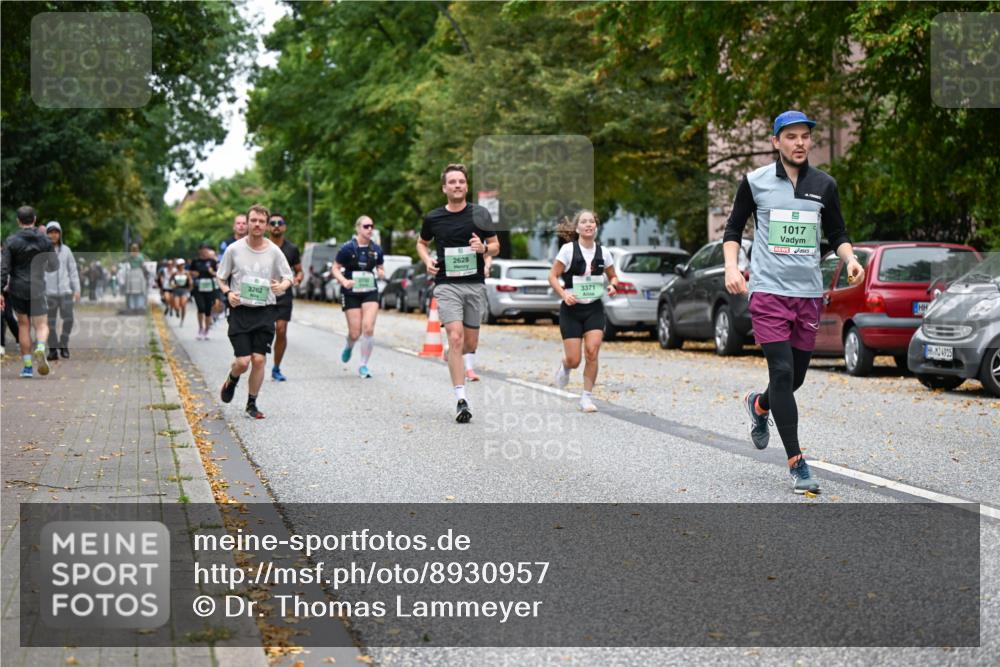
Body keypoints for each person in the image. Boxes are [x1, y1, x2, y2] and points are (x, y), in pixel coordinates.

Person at [723, 110, 865, 495]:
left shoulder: (824, 185)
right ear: (776, 142)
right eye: (792, 137)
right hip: (768, 292)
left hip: (807, 296)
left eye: (805, 137)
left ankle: (760, 405)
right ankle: (797, 462)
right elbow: (733, 228)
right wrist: (731, 266)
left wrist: (850, 259)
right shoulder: (755, 183)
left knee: (795, 377)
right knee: (783, 371)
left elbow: (837, 232)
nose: (800, 143)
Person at [417, 163, 499, 423]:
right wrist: (426, 260)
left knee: (469, 345)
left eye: (461, 181)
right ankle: (461, 399)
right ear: (444, 188)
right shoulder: (433, 218)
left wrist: (483, 248)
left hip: (474, 284)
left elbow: (496, 245)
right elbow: (422, 243)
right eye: (452, 182)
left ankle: (453, 354)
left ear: (466, 186)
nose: (457, 185)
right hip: (446, 284)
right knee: (454, 337)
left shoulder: (480, 214)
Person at [216, 204, 294, 419]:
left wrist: (283, 287)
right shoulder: (234, 249)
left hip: (265, 311)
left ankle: (251, 403)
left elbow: (289, 276)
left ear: (267, 225)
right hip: (240, 311)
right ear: (247, 223)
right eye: (253, 220)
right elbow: (221, 277)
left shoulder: (274, 251)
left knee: (258, 360)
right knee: (242, 362)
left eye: (261, 221)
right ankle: (232, 379)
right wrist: (228, 292)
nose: (257, 224)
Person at [549, 211, 619, 413]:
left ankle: (586, 397)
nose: (588, 225)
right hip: (571, 309)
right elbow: (553, 276)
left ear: (596, 227)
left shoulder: (604, 252)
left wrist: (613, 286)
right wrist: (563, 294)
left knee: (592, 351)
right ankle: (565, 367)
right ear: (577, 228)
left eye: (592, 222)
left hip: (594, 308)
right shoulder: (568, 250)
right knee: (574, 359)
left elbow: (613, 277)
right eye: (584, 222)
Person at [1, 205, 58, 377]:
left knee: (23, 325)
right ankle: (40, 347)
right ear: (34, 219)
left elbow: (4, 268)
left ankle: (27, 367)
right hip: (37, 287)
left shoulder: (11, 241)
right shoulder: (45, 241)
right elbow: (54, 265)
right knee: (41, 324)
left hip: (18, 288)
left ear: (19, 221)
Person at [332, 215, 385, 378]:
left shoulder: (376, 249)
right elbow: (335, 267)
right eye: (366, 226)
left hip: (369, 291)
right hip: (351, 293)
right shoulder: (347, 248)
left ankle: (363, 365)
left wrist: (382, 273)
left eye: (371, 226)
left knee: (368, 328)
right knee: (355, 333)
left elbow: (380, 267)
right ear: (358, 228)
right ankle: (349, 345)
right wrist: (343, 281)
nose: (370, 229)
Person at [266, 212, 303, 381]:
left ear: (284, 227)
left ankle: (276, 367)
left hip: (284, 294)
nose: (276, 225)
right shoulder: (262, 246)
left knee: (281, 330)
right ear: (267, 227)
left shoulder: (292, 249)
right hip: (264, 294)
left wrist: (298, 278)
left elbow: (299, 270)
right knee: (264, 331)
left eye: (279, 222)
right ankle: (258, 361)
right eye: (272, 222)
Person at [43, 221, 80, 360]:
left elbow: (73, 271)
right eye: (50, 232)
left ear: (60, 234)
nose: (53, 235)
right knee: (49, 323)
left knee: (69, 319)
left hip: (65, 291)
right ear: (46, 234)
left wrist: (77, 289)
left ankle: (63, 344)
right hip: (48, 292)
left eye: (56, 232)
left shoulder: (67, 251)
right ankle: (53, 351)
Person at [189, 243, 218, 339]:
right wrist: (193, 274)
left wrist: (212, 272)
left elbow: (218, 274)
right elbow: (190, 272)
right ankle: (200, 328)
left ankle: (206, 330)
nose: (205, 251)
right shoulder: (195, 261)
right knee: (200, 308)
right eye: (203, 249)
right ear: (200, 251)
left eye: (207, 249)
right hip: (198, 288)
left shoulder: (212, 262)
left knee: (208, 310)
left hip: (210, 288)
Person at [124, 243, 149, 313]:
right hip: (138, 272)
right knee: (139, 291)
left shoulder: (129, 256)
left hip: (131, 273)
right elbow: (143, 265)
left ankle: (132, 306)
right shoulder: (140, 256)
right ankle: (139, 306)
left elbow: (126, 262)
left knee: (132, 291)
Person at [168, 258, 190, 325]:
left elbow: (190, 282)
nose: (182, 266)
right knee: (177, 306)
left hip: (184, 290)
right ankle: (177, 311)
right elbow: (170, 282)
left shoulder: (186, 273)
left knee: (183, 305)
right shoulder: (174, 273)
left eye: (183, 264)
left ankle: (182, 320)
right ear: (178, 265)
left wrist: (189, 290)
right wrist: (172, 285)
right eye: (180, 264)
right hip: (176, 291)